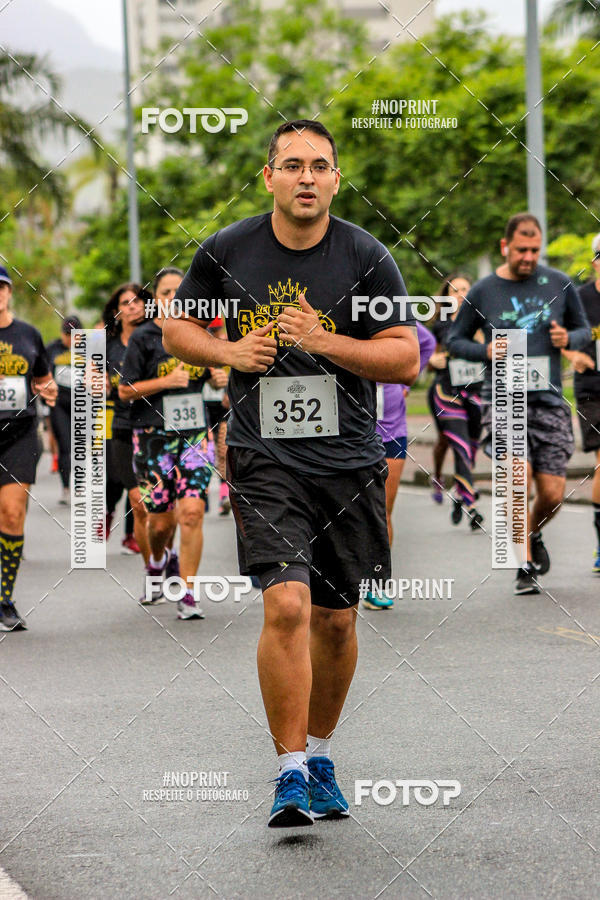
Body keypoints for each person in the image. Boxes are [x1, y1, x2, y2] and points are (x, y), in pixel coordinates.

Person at [163, 119, 419, 827]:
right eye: (293, 164)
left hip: (349, 460)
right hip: (264, 455)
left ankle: (322, 753)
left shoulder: (367, 257)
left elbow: (404, 357)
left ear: (336, 179)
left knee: (337, 621)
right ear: (268, 176)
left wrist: (322, 339)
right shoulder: (228, 250)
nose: (307, 176)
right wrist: (226, 352)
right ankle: (289, 770)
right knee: (286, 605)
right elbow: (176, 327)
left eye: (320, 165)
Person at [448, 213, 590, 595]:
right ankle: (523, 564)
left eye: (534, 250)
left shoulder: (559, 284)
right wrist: (486, 350)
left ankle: (530, 533)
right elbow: (455, 340)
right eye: (521, 249)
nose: (528, 257)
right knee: (516, 479)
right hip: (505, 398)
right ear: (505, 246)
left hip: (549, 400)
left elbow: (582, 331)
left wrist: (568, 339)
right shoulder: (483, 290)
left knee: (553, 493)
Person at [120, 267, 216, 619]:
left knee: (191, 512)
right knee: (159, 522)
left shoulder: (199, 334)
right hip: (152, 438)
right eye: (165, 292)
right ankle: (158, 560)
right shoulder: (144, 338)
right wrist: (165, 383)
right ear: (155, 299)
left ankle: (187, 592)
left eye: (179, 292)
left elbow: (216, 382)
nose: (173, 298)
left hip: (194, 436)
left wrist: (220, 377)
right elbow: (124, 390)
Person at [0, 265, 58, 631]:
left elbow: (42, 378)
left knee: (11, 514)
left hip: (19, 435)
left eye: (1, 287)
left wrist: (47, 389)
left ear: (8, 293)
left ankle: (4, 599)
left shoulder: (28, 334)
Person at [363, 321, 435, 609]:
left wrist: (407, 379)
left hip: (392, 429)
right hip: (351, 430)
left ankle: (375, 582)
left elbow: (426, 343)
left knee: (382, 510)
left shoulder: (391, 313)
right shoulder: (344, 311)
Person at [427, 273, 486, 530]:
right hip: (446, 392)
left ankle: (461, 492)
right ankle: (471, 505)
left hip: (476, 394)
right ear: (446, 297)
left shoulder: (483, 321)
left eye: (466, 289)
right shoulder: (440, 324)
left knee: (470, 448)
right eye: (455, 290)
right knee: (458, 445)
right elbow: (426, 356)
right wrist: (432, 360)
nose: (461, 294)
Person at [103, 282, 150, 559]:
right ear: (116, 311)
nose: (132, 306)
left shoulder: (155, 339)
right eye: (125, 303)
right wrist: (92, 382)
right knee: (116, 478)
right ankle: (108, 513)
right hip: (113, 420)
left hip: (147, 421)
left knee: (139, 484)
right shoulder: (106, 345)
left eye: (137, 300)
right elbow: (88, 377)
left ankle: (132, 533)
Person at [563, 233, 600, 572]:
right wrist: (573, 354)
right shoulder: (579, 298)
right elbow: (557, 333)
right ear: (595, 262)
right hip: (592, 391)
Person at [46, 315, 82, 504]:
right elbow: (43, 373)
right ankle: (67, 488)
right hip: (60, 404)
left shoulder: (90, 350)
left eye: (74, 335)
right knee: (66, 447)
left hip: (83, 402)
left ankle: (80, 486)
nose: (70, 339)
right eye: (67, 334)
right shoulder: (52, 349)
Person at [202, 318, 231, 515]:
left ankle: (224, 495)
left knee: (222, 451)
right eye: (210, 329)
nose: (213, 332)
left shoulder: (230, 344)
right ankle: (200, 497)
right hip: (202, 405)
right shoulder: (196, 344)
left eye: (216, 329)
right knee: (204, 452)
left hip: (223, 406)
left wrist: (230, 391)